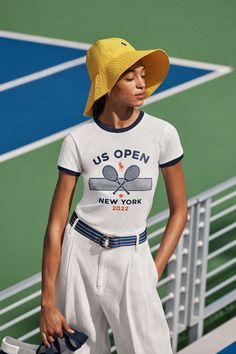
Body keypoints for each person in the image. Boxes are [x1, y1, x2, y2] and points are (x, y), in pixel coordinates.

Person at [39, 37, 188, 354]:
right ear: (106, 84)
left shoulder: (163, 134)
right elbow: (56, 224)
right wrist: (47, 301)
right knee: (80, 350)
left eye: (143, 76)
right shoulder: (78, 140)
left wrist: (154, 269)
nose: (141, 85)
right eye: (130, 77)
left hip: (134, 258)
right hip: (79, 255)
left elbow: (180, 211)